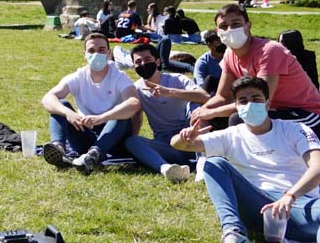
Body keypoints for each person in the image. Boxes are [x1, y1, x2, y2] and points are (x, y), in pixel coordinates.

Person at [173, 76, 320, 243]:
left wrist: (289, 196)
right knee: (213, 164)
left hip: (298, 209)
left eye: (255, 98)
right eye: (242, 101)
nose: (249, 105)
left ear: (267, 103)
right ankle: (234, 234)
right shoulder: (231, 135)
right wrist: (184, 138)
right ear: (236, 107)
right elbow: (180, 145)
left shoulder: (296, 130)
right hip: (257, 207)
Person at [190, 3, 320, 145]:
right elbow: (222, 97)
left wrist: (211, 112)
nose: (230, 30)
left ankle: (249, 162)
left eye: (236, 24)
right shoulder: (229, 54)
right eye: (223, 26)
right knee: (213, 117)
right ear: (218, 31)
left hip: (311, 118)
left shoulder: (269, 51)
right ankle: (214, 158)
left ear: (248, 26)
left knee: (238, 119)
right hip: (272, 112)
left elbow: (258, 102)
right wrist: (202, 112)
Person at [41, 33, 141, 175]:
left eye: (101, 50)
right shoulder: (78, 76)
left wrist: (102, 118)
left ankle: (95, 153)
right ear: (85, 54)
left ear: (108, 53)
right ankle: (59, 150)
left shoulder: (119, 77)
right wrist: (69, 113)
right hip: (86, 131)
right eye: (92, 51)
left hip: (114, 136)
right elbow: (48, 98)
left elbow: (134, 103)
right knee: (60, 105)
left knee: (120, 114)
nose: (96, 54)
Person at [124, 43, 210, 182]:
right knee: (132, 141)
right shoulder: (136, 89)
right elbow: (137, 119)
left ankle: (202, 160)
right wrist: (136, 148)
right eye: (138, 62)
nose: (143, 64)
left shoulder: (177, 79)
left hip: (190, 138)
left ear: (157, 61)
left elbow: (205, 97)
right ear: (134, 66)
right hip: (167, 145)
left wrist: (169, 92)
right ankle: (167, 169)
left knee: (196, 106)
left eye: (147, 59)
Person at [194, 30, 225, 95]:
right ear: (209, 45)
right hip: (214, 92)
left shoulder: (232, 56)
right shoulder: (203, 62)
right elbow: (200, 84)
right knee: (210, 79)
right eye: (218, 41)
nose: (222, 43)